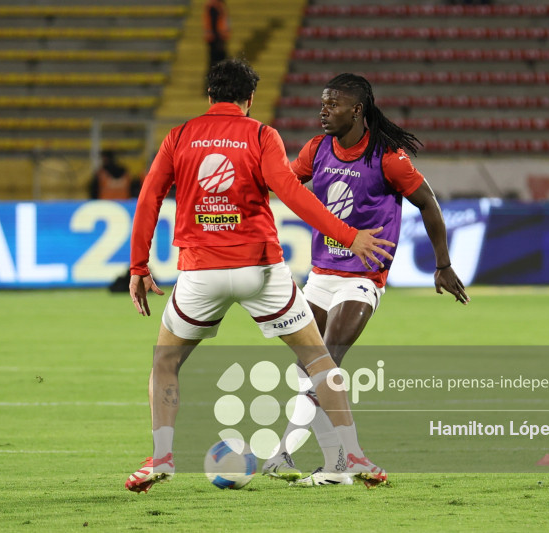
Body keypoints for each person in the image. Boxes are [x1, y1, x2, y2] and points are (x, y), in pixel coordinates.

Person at [124, 59, 394, 493]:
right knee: (320, 362)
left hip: (201, 272)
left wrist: (138, 266)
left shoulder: (179, 136)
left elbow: (149, 198)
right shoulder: (261, 134)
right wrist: (349, 236)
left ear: (209, 96)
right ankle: (354, 454)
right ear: (249, 100)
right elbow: (291, 193)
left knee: (165, 362)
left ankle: (161, 457)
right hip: (260, 270)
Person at [262, 73, 470, 486]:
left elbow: (427, 203)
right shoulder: (316, 149)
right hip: (320, 276)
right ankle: (336, 465)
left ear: (357, 110)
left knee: (327, 363)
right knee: (311, 373)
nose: (323, 111)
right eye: (322, 103)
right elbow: (284, 184)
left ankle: (282, 453)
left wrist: (442, 263)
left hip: (362, 280)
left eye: (332, 104)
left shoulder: (388, 157)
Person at [204, 0, 230, 82]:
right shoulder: (214, 6)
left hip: (218, 39)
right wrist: (218, 41)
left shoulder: (218, 5)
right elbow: (214, 24)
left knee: (217, 64)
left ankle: (215, 84)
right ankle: (212, 85)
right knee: (216, 64)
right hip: (216, 40)